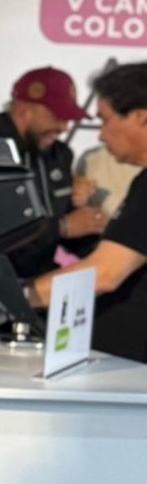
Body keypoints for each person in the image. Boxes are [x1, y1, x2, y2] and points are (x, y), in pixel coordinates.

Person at [30, 62, 147, 362]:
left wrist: (18, 297)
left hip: (129, 375)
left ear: (140, 117)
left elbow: (104, 274)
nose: (101, 136)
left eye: (106, 120)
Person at [0, 66, 107, 276]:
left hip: (40, 279)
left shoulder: (59, 154)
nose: (65, 128)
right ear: (25, 110)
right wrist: (62, 227)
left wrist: (91, 223)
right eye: (57, 116)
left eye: (68, 119)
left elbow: (71, 227)